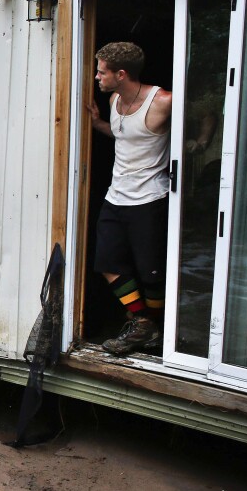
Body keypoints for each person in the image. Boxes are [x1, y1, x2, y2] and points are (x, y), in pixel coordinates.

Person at [86, 42, 172, 356]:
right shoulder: (113, 100)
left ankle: (154, 328)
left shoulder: (162, 101)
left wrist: (199, 142)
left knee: (151, 271)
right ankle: (142, 323)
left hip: (149, 199)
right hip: (116, 197)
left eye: (102, 71)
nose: (97, 77)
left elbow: (206, 113)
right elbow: (125, 136)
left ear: (121, 74)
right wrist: (97, 125)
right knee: (107, 262)